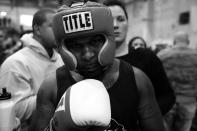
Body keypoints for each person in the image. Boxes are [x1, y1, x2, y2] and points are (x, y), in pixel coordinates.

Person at [29, 1, 165, 131]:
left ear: (108, 39)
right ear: (64, 49)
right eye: (76, 45)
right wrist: (55, 127)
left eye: (95, 41)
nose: (87, 55)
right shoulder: (51, 87)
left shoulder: (137, 80)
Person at [103, 0, 175, 116]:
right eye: (109, 20)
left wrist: (146, 119)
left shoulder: (146, 57)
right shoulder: (93, 62)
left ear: (127, 23)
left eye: (121, 19)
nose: (115, 25)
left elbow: (167, 96)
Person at [0, 8, 64, 131]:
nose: (58, 31)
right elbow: (14, 109)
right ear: (38, 29)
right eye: (52, 26)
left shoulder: (61, 59)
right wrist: (55, 93)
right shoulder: (16, 63)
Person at [158, 31, 197, 131]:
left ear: (174, 41)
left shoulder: (162, 55)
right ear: (188, 41)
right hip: (189, 102)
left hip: (168, 101)